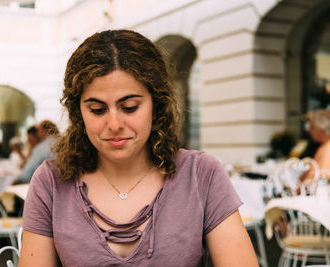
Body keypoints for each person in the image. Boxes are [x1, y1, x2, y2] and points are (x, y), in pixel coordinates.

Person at [19, 30, 258, 266]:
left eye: (130, 107)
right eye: (97, 110)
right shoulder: (50, 182)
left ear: (157, 104)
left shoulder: (202, 174)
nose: (114, 125)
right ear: (78, 113)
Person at [300, 109, 330, 182]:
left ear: (320, 128)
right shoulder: (323, 146)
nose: (309, 130)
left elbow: (323, 176)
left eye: (311, 127)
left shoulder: (328, 148)